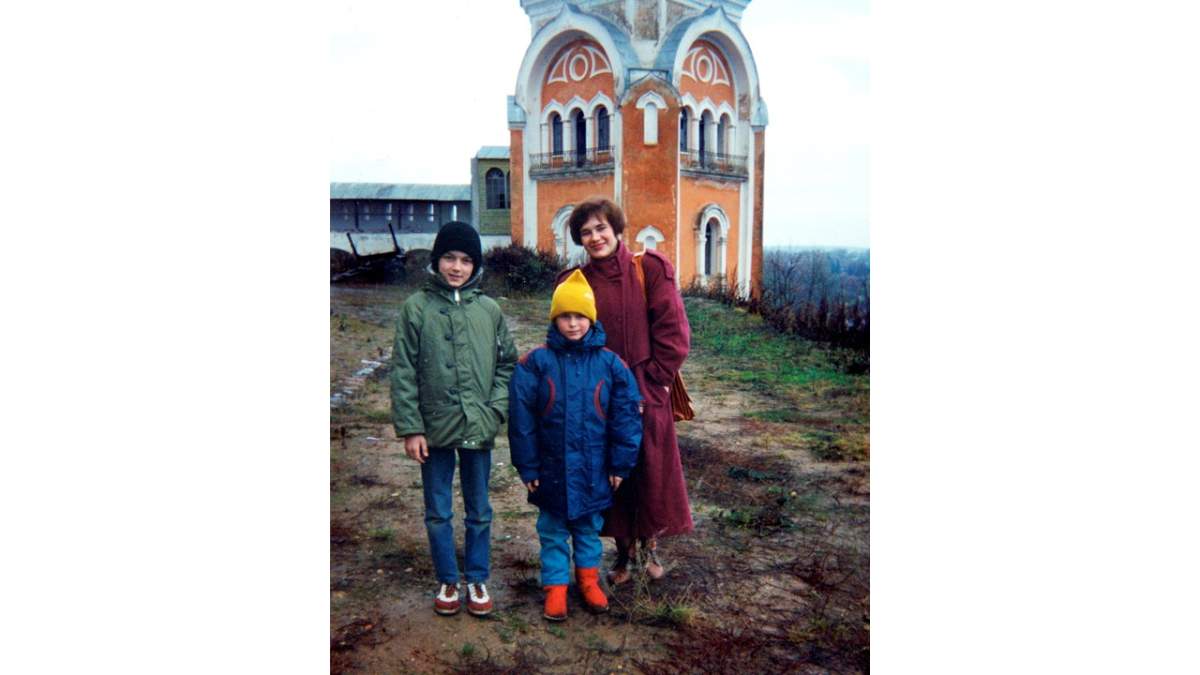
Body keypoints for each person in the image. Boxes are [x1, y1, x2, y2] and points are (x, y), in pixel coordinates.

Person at [560, 197, 693, 585]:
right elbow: (566, 334)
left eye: (601, 228)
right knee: (609, 473)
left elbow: (674, 334)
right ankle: (622, 555)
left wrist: (654, 383)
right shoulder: (575, 281)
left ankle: (650, 547)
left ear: (617, 229)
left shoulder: (649, 268)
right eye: (586, 232)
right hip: (596, 393)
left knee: (650, 469)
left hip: (645, 388)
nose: (595, 237)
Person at [390, 221, 517, 617]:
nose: (456, 267)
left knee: (480, 509)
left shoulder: (489, 310)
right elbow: (403, 370)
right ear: (436, 260)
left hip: (479, 426)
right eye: (449, 258)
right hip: (433, 431)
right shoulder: (416, 308)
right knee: (438, 510)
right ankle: (447, 579)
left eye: (465, 260)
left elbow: (507, 364)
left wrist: (496, 408)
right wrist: (411, 427)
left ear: (475, 265)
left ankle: (476, 577)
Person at [508, 270, 642, 621]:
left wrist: (619, 465)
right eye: (565, 316)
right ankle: (555, 587)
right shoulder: (534, 363)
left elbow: (626, 417)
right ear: (555, 318)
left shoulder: (611, 365)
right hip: (549, 470)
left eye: (580, 316)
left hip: (594, 470)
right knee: (551, 531)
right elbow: (521, 420)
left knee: (587, 529)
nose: (572, 323)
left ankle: (588, 580)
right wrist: (528, 466)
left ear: (591, 318)